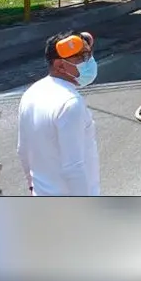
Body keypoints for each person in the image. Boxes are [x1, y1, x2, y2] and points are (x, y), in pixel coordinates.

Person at [17, 30, 101, 196]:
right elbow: (74, 168)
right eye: (81, 58)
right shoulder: (70, 104)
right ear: (60, 65)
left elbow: (22, 150)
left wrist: (32, 187)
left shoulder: (32, 93)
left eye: (89, 55)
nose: (88, 62)